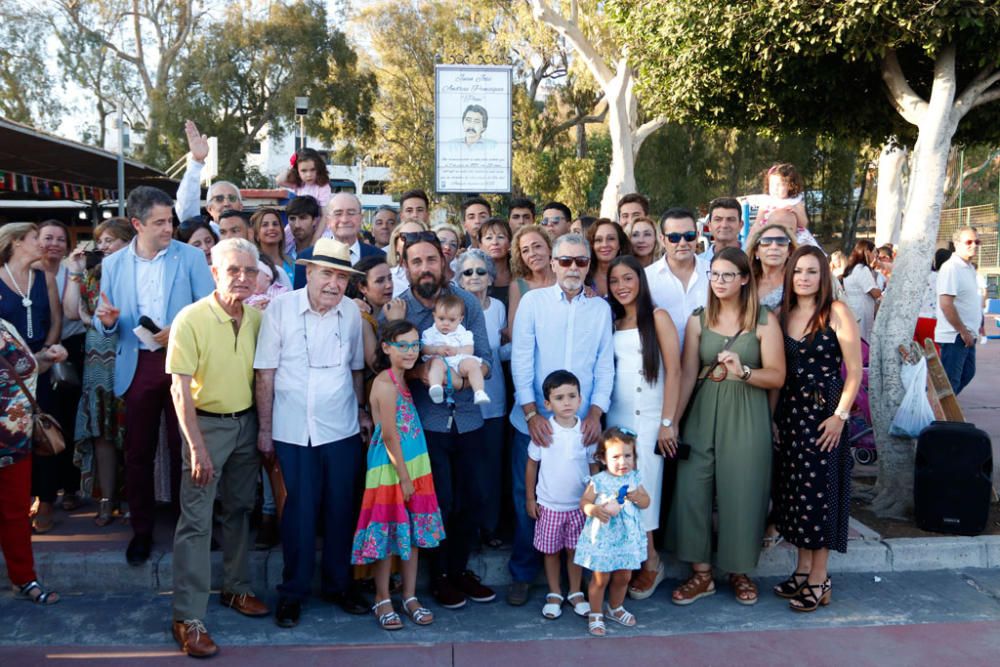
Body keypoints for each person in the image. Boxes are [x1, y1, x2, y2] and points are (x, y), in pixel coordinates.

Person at [254, 238, 373, 627]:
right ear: (308, 271)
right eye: (327, 273)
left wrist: (359, 413)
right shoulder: (281, 309)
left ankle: (339, 586)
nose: (334, 284)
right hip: (291, 430)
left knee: (341, 510)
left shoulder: (351, 315)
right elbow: (265, 373)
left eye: (342, 276)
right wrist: (266, 431)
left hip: (340, 428)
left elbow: (356, 369)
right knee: (298, 516)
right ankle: (293, 592)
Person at [95, 186, 215, 566]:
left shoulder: (191, 257)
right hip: (138, 364)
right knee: (138, 453)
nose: (169, 228)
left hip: (184, 364)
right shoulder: (113, 265)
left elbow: (209, 309)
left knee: (187, 449)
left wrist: (178, 331)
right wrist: (109, 324)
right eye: (160, 222)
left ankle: (191, 526)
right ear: (136, 224)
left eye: (171, 220)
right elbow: (105, 326)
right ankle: (142, 530)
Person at [381, 231, 496, 609]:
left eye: (431, 259)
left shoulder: (466, 303)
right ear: (405, 267)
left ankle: (460, 569)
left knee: (472, 499)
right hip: (425, 423)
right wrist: (420, 372)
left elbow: (487, 361)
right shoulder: (400, 310)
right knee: (438, 500)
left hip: (468, 420)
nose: (425, 268)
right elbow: (389, 368)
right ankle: (441, 576)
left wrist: (460, 377)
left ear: (444, 261)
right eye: (416, 261)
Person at [166, 238, 268, 658]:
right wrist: (196, 448)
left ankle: (236, 589)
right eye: (233, 270)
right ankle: (186, 616)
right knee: (196, 521)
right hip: (206, 427)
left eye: (249, 271)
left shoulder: (258, 317)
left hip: (246, 424)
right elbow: (180, 390)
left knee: (241, 509)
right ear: (214, 272)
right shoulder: (190, 319)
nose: (242, 278)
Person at [669, 247, 785, 607]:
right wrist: (672, 422)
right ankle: (701, 574)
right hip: (702, 412)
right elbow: (688, 373)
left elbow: (778, 375)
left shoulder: (764, 321)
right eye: (714, 275)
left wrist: (745, 371)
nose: (719, 282)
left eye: (727, 275)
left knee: (743, 492)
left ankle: (739, 571)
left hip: (747, 412)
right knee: (691, 490)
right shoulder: (697, 319)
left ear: (745, 279)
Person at [508, 232, 615, 606]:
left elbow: (605, 364)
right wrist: (530, 411)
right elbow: (521, 359)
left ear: (589, 265)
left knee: (580, 502)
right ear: (552, 263)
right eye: (565, 260)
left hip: (582, 426)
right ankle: (523, 574)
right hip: (534, 422)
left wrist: (597, 411)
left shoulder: (600, 309)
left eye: (580, 261)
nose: (573, 268)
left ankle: (577, 583)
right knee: (531, 499)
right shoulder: (533, 303)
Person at [773, 246, 862, 613]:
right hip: (791, 413)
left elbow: (854, 371)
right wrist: (774, 418)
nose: (804, 278)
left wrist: (840, 416)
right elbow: (779, 373)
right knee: (795, 494)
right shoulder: (782, 314)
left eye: (812, 271)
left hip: (826, 413)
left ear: (823, 276)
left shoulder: (837, 312)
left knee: (819, 497)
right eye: (798, 271)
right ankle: (803, 568)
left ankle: (819, 578)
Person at [351, 320, 445, 630]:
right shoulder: (386, 384)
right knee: (387, 535)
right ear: (386, 347)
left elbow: (431, 363)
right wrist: (404, 478)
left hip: (415, 467)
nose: (410, 350)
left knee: (412, 536)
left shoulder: (405, 378)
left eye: (415, 344)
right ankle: (382, 597)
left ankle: (409, 594)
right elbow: (389, 435)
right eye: (402, 344)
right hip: (393, 471)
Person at [605, 255, 681, 600]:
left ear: (640, 280)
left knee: (644, 490)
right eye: (615, 281)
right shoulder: (613, 321)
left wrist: (669, 422)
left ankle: (652, 562)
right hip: (617, 419)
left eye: (628, 279)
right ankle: (629, 560)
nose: (621, 286)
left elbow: (675, 372)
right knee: (620, 489)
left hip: (650, 419)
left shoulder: (658, 317)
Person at [66, 218, 135, 527]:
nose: (105, 246)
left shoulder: (137, 273)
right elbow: (72, 311)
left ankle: (134, 497)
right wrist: (76, 272)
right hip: (97, 362)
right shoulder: (93, 276)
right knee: (101, 434)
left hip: (127, 357)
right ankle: (106, 499)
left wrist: (89, 318)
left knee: (132, 434)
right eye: (102, 241)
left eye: (112, 240)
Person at [0, 223, 62, 533]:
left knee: (42, 432)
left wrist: (49, 352)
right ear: (15, 242)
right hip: (7, 377)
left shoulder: (44, 277)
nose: (42, 243)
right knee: (12, 442)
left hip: (42, 368)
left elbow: (55, 319)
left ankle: (46, 500)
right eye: (35, 238)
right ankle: (17, 504)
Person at [0, 317, 66, 604]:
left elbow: (27, 367)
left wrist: (46, 357)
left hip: (16, 439)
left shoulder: (5, 327)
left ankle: (24, 578)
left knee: (15, 513)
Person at [525, 370, 595, 621]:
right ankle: (555, 592)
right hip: (549, 505)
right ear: (547, 403)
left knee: (575, 551)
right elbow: (532, 464)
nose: (566, 402)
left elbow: (593, 466)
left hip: (579, 507)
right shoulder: (545, 431)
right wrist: (530, 499)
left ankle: (575, 592)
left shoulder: (585, 432)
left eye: (571, 396)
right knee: (551, 551)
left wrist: (593, 498)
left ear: (580, 399)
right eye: (559, 397)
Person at [455, 249, 508, 549]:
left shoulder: (499, 308)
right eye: (468, 272)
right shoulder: (453, 308)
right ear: (459, 278)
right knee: (466, 469)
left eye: (480, 271)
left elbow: (501, 350)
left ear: (490, 276)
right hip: (462, 402)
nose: (474, 277)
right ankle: (467, 530)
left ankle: (490, 527)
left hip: (495, 398)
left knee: (491, 468)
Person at [574, 427, 649, 637]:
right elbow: (584, 502)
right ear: (603, 458)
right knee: (601, 579)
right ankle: (595, 613)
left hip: (627, 539)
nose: (622, 462)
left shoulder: (634, 479)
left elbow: (646, 502)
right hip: (604, 539)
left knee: (624, 576)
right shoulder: (598, 480)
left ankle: (615, 607)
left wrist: (636, 496)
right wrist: (594, 509)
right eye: (616, 456)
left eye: (628, 456)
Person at [645, 208, 710, 348]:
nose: (682, 243)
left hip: (710, 365)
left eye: (689, 236)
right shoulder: (646, 278)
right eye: (674, 237)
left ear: (697, 236)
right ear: (662, 240)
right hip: (664, 365)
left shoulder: (713, 273)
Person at [294, 193, 385, 289]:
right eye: (338, 213)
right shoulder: (308, 257)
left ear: (361, 219)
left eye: (351, 213)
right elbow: (300, 298)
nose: (344, 219)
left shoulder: (380, 257)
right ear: (328, 221)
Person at [936, 226, 983, 395]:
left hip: (967, 334)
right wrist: (962, 331)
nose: (974, 245)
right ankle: (941, 416)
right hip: (955, 335)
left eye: (977, 241)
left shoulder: (969, 268)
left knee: (967, 374)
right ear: (957, 244)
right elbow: (946, 304)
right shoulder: (951, 268)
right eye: (969, 242)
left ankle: (945, 411)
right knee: (950, 381)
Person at [421, 294, 491, 406]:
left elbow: (469, 349)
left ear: (460, 319)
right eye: (441, 318)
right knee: (436, 364)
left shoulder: (462, 333)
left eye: (452, 320)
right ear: (434, 316)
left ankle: (479, 391)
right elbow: (424, 349)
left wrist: (457, 351)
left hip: (458, 362)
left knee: (472, 364)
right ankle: (436, 387)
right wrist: (436, 349)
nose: (446, 323)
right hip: (441, 361)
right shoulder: (430, 333)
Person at [506, 224, 556, 335]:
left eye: (537, 246)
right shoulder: (517, 286)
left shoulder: (564, 281)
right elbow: (513, 331)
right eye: (525, 250)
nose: (532, 254)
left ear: (550, 249)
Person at [748, 223, 797, 311]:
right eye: (766, 242)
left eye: (781, 242)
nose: (774, 247)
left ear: (789, 251)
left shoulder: (799, 281)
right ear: (756, 251)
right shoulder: (745, 281)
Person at [842, 239, 882, 341]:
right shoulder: (862, 269)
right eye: (873, 253)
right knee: (864, 340)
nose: (874, 257)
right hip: (862, 310)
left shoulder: (850, 268)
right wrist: (881, 290)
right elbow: (874, 293)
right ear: (867, 252)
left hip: (851, 308)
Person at [277, 147, 333, 213]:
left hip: (317, 222)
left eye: (313, 169)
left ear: (318, 168)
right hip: (300, 220)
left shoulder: (323, 187)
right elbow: (279, 180)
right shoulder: (299, 184)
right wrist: (292, 166)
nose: (309, 175)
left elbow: (324, 215)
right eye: (304, 171)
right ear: (297, 171)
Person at [916, 248, 952, 345]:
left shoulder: (926, 276)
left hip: (917, 319)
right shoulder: (948, 279)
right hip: (935, 320)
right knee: (935, 355)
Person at [587, 219, 631, 298]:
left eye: (611, 239)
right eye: (598, 240)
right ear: (592, 245)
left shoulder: (632, 276)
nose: (605, 244)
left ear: (620, 244)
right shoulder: (583, 276)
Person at [252, 208, 294, 288]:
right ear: (257, 235)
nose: (271, 228)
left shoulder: (292, 263)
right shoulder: (253, 264)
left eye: (275, 224)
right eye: (265, 225)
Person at [388, 222, 430, 297]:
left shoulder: (435, 275)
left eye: (417, 236)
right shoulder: (386, 277)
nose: (410, 241)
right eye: (405, 237)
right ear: (396, 244)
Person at [478, 218, 513, 306]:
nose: (495, 242)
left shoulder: (521, 274)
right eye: (489, 238)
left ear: (510, 243)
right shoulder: (473, 274)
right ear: (480, 245)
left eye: (500, 237)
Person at [703, 197, 743, 262]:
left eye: (730, 219)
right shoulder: (698, 264)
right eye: (718, 219)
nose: (724, 225)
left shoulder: (753, 259)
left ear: (740, 225)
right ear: (709, 225)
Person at [284, 195, 322, 260]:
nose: (297, 225)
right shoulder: (283, 251)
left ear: (314, 221)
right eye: (292, 218)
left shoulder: (323, 252)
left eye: (302, 218)